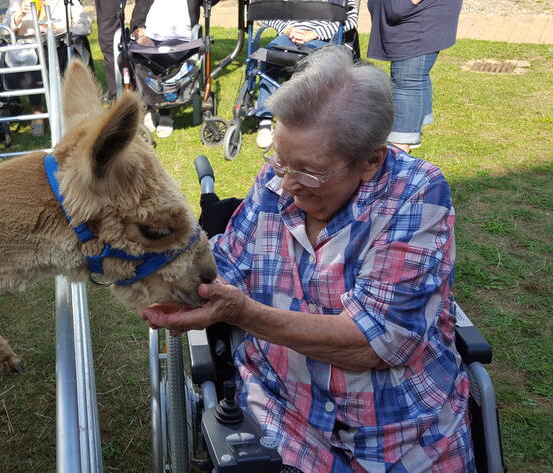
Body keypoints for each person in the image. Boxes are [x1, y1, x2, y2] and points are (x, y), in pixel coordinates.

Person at [141, 47, 474, 472]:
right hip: (282, 410)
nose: (289, 184)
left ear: (371, 159)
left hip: (399, 431)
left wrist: (244, 313)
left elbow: (377, 343)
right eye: (281, 162)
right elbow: (228, 264)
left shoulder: (415, 193)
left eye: (310, 172)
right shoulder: (278, 179)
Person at [253, 0, 359, 148]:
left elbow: (350, 20)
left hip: (323, 38)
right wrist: (288, 29)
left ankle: (304, 120)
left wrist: (314, 34)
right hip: (289, 35)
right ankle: (265, 119)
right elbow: (268, 13)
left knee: (312, 64)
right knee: (266, 57)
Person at [367, 0, 462, 152]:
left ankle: (400, 147)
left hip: (418, 16)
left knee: (408, 78)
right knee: (412, 75)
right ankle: (414, 126)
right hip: (408, 14)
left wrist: (406, 3)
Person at [4, 0, 92, 137]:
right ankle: (37, 110)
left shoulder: (67, 2)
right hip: (31, 49)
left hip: (61, 44)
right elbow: (3, 31)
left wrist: (63, 29)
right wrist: (19, 14)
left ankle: (66, 108)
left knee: (59, 51)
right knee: (40, 54)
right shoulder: (19, 2)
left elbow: (86, 26)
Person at [128, 0, 212, 138]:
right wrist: (141, 36)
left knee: (165, 56)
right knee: (134, 56)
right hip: (150, 39)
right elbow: (137, 18)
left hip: (182, 41)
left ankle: (165, 113)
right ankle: (148, 108)